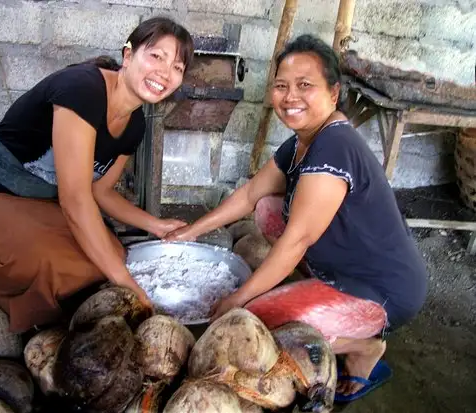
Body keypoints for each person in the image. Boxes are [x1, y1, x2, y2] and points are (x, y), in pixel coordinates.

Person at [165, 34, 428, 401]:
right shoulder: (302, 141)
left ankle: (361, 346)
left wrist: (238, 298)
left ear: (333, 94)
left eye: (305, 86)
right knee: (268, 208)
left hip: (381, 290)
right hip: (347, 264)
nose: (290, 97)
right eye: (281, 86)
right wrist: (191, 231)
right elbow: (248, 195)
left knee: (256, 324)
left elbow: (297, 239)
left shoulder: (334, 145)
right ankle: (309, 285)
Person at [0, 17, 194, 333]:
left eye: (177, 67)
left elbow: (100, 192)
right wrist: (127, 283)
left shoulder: (135, 125)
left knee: (112, 254)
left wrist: (157, 225)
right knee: (49, 260)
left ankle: (22, 293)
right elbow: (76, 199)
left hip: (41, 207)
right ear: (129, 55)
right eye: (156, 56)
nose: (165, 72)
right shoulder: (83, 89)